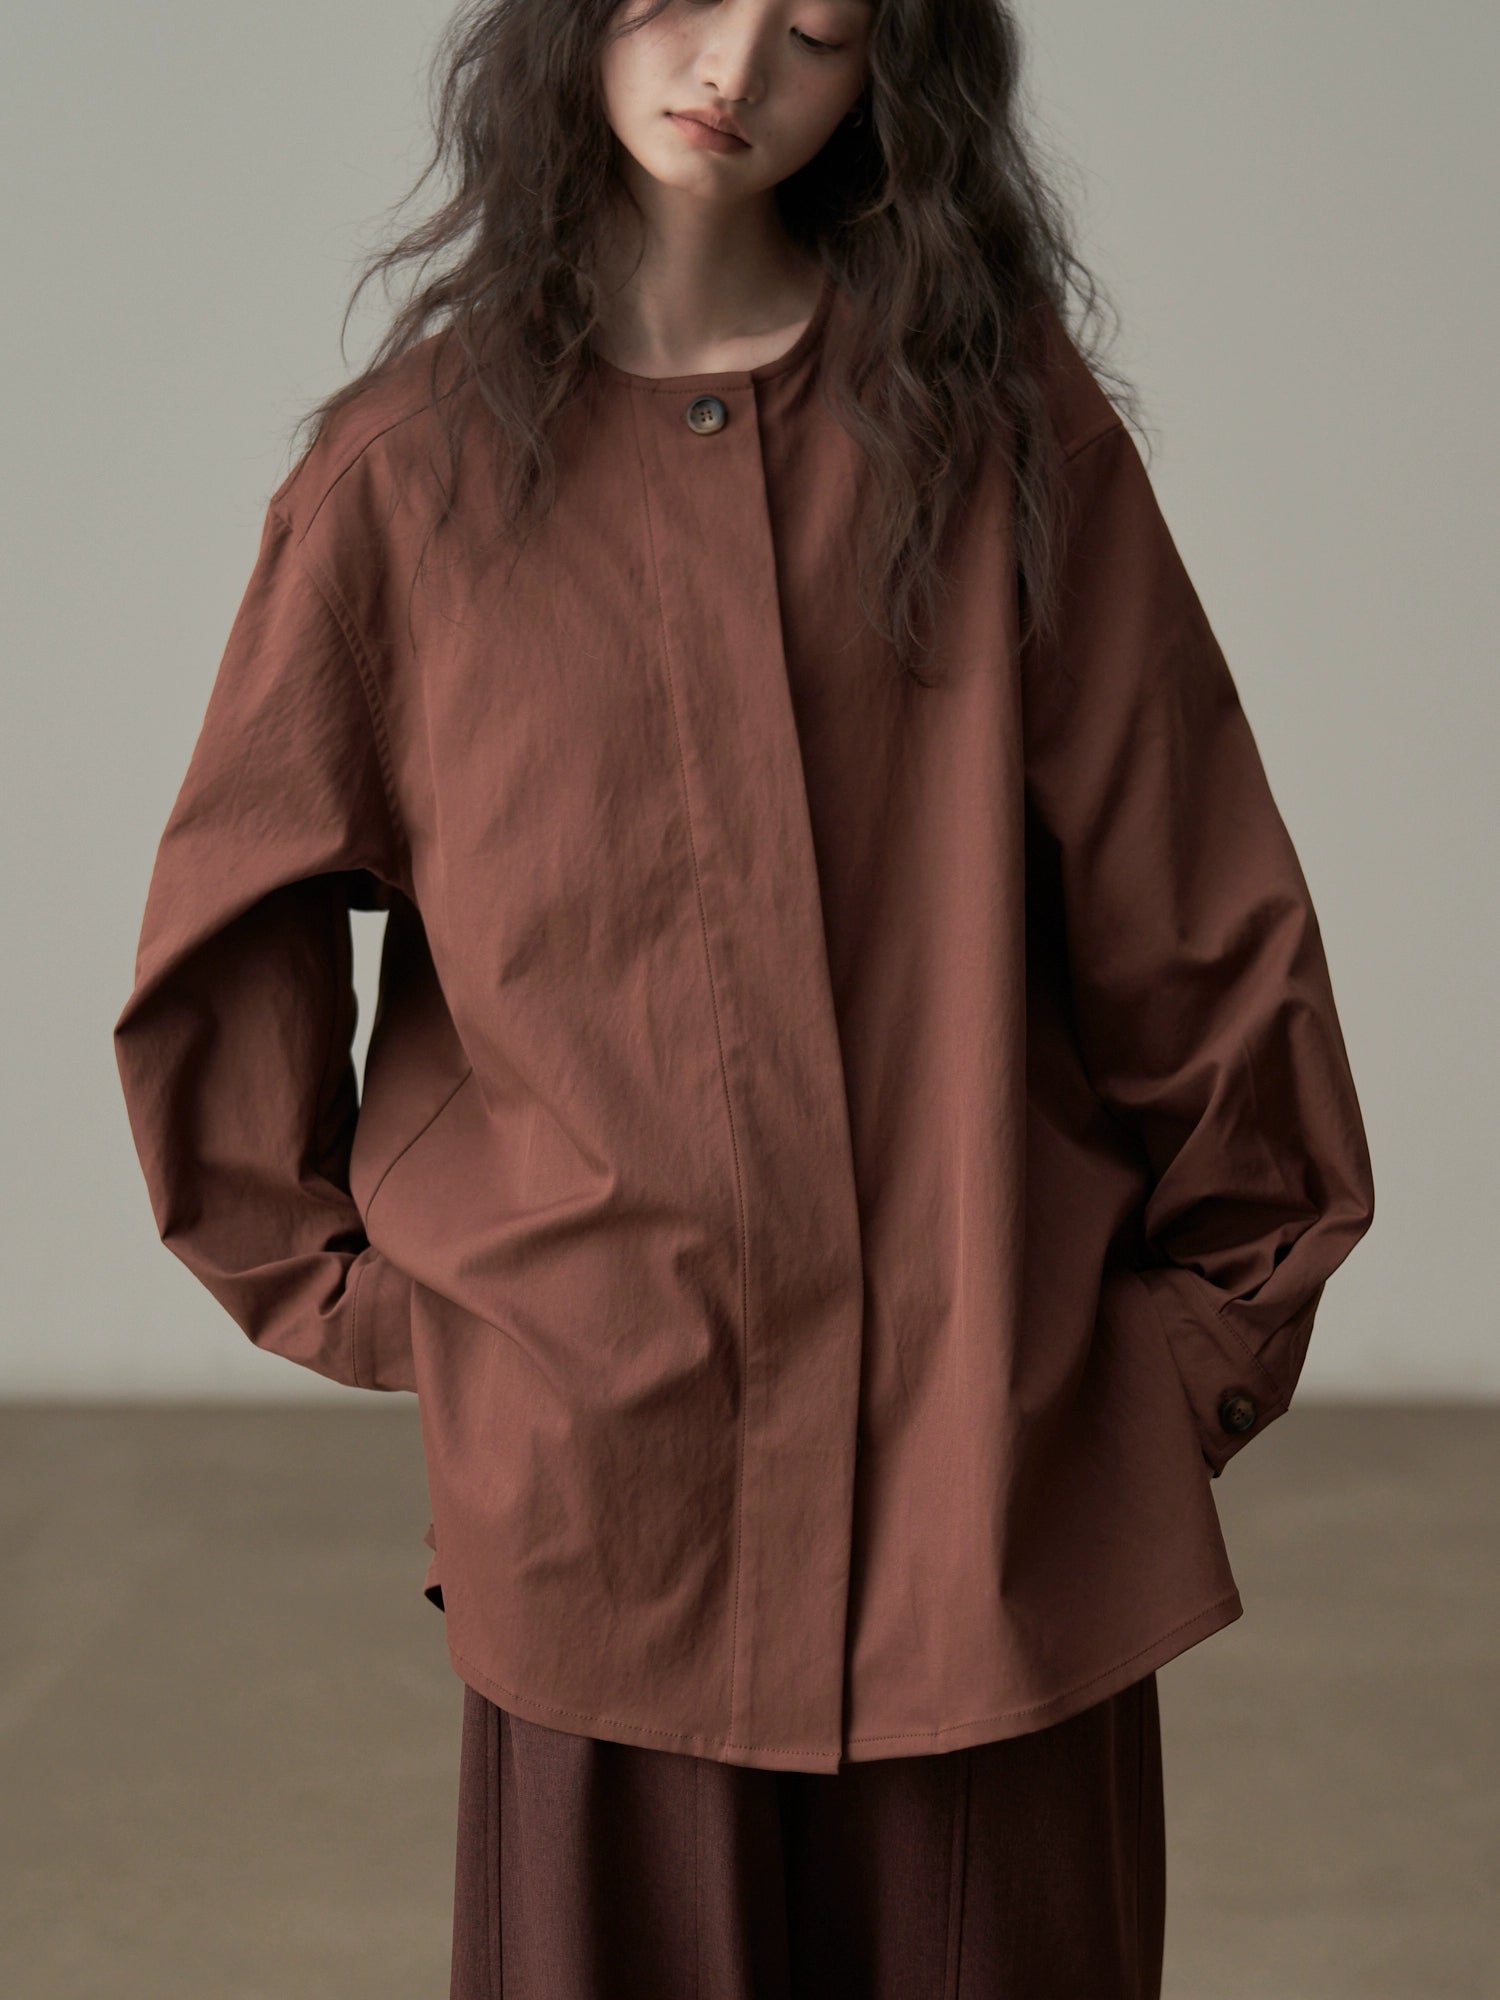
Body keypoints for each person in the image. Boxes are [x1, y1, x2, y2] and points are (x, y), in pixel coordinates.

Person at [111, 1, 1376, 1994]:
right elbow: (228, 945)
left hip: (996, 1501)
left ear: (890, 71)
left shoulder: (999, 434)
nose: (737, 67)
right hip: (603, 1522)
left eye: (816, 27)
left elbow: (1199, 902)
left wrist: (1188, 1354)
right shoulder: (409, 480)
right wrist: (443, 1326)